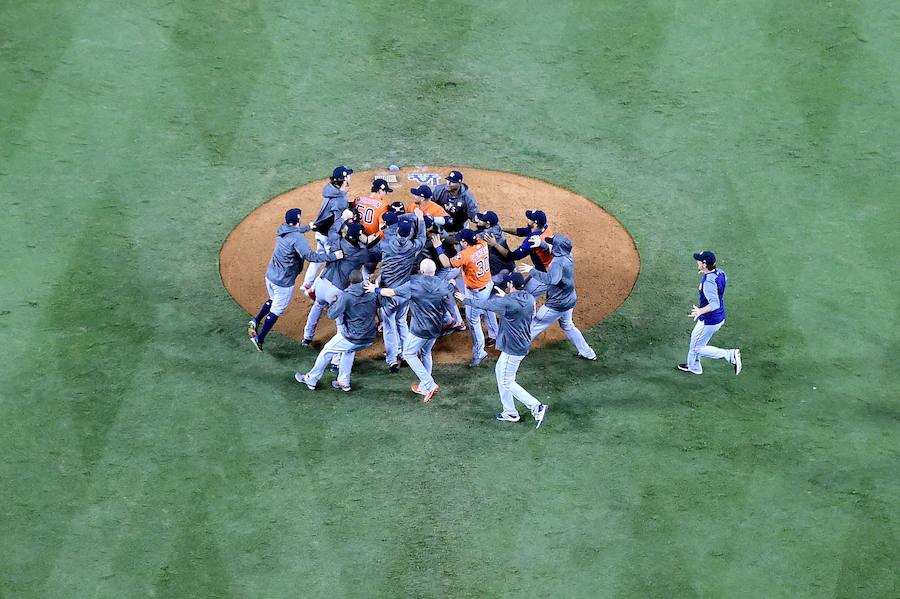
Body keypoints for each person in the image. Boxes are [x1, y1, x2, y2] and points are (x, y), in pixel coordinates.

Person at [455, 272, 547, 428]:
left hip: (514, 348)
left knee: (507, 381)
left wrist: (466, 300)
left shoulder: (508, 303)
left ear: (511, 285)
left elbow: (486, 305)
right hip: (521, 342)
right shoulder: (529, 298)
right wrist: (506, 297)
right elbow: (515, 305)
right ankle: (510, 412)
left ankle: (536, 406)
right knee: (500, 372)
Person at [247, 208, 342, 351]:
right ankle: (259, 339)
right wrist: (333, 256)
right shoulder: (298, 238)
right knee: (276, 310)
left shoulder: (282, 229)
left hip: (271, 275)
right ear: (298, 220)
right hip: (283, 282)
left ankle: (255, 320)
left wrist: (309, 227)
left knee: (273, 299)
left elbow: (294, 232)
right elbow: (310, 256)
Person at [365, 259, 454, 403]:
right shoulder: (441, 283)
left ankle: (429, 384)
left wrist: (374, 289)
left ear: (421, 270)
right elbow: (449, 295)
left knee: (408, 353)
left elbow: (391, 292)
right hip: (436, 327)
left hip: (420, 329)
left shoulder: (414, 284)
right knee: (426, 352)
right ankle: (424, 386)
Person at [516, 233, 597, 361]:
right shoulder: (568, 255)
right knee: (568, 325)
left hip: (557, 304)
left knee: (535, 324)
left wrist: (531, 270)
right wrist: (541, 244)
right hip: (569, 299)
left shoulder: (557, 263)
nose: (550, 245)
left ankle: (518, 351)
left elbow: (551, 280)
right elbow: (551, 249)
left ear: (558, 248)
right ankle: (587, 352)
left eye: (552, 243)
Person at [295, 270, 377, 392]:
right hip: (369, 338)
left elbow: (331, 315)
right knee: (348, 351)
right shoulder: (372, 294)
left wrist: (334, 302)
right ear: (362, 281)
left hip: (353, 337)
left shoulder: (346, 296)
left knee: (327, 351)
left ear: (350, 282)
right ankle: (344, 382)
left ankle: (311, 379)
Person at [302, 222, 371, 344]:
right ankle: (337, 359)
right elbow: (373, 254)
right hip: (336, 290)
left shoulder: (336, 241)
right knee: (341, 320)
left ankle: (307, 337)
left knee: (317, 306)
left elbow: (333, 229)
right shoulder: (361, 253)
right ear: (359, 236)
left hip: (322, 283)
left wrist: (343, 219)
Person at [432, 229, 492, 367]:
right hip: (486, 284)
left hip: (476, 292)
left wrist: (438, 248)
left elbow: (446, 263)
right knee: (481, 310)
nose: (460, 243)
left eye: (461, 241)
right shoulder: (483, 244)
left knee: (473, 321)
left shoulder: (465, 254)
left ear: (466, 242)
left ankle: (479, 353)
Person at [378, 207, 427, 373]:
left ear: (397, 231)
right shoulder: (413, 247)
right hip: (404, 293)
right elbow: (422, 237)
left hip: (387, 294)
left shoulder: (385, 244)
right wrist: (420, 219)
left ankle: (392, 360)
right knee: (401, 322)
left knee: (389, 326)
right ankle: (406, 354)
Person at [677, 250, 742, 375]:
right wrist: (706, 274)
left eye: (699, 261)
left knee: (697, 347)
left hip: (709, 320)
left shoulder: (708, 282)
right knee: (695, 340)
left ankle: (730, 355)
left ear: (705, 264)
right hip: (716, 317)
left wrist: (700, 311)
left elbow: (714, 304)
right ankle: (694, 366)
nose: (697, 262)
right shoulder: (720, 273)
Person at [301, 165, 353, 293]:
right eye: (349, 175)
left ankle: (306, 283)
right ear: (345, 179)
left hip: (319, 232)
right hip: (329, 236)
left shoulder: (330, 190)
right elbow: (336, 223)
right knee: (332, 262)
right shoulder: (340, 199)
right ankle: (313, 290)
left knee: (320, 255)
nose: (351, 177)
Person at [493, 209, 554, 297]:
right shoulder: (544, 228)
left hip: (546, 275)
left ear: (535, 224)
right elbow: (520, 231)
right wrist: (502, 229)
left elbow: (512, 256)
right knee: (524, 289)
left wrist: (495, 244)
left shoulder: (532, 241)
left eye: (530, 219)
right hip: (544, 268)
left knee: (525, 298)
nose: (527, 219)